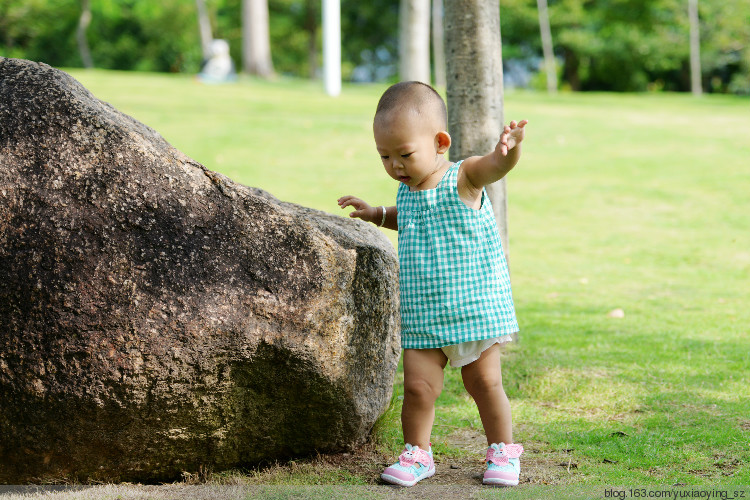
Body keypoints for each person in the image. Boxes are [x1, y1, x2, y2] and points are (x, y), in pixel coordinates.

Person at [337, 81, 528, 487]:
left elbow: (496, 167)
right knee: (419, 389)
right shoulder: (405, 193)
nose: (394, 166)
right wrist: (376, 213)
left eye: (404, 154)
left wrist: (507, 151)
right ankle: (418, 454)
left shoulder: (464, 177)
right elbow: (406, 217)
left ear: (440, 142)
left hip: (473, 308)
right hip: (424, 313)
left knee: (484, 383)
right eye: (384, 156)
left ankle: (503, 452)